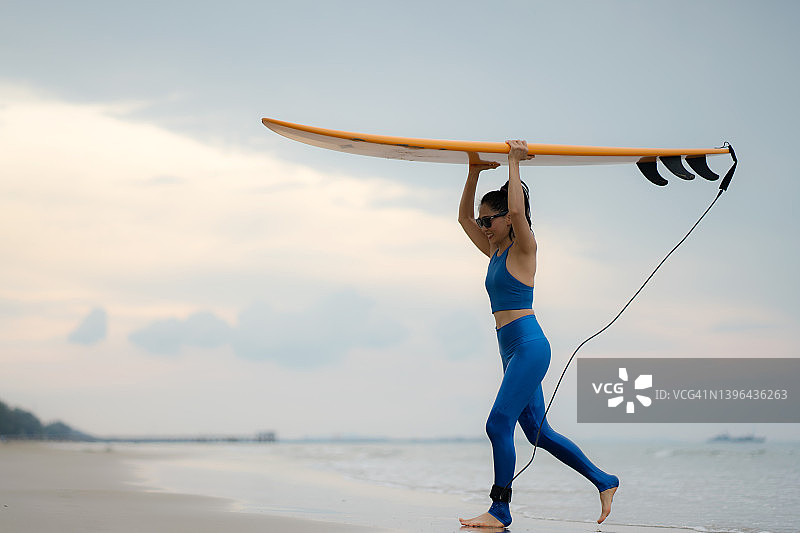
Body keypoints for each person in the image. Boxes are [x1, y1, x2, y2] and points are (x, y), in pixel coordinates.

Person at [457, 140, 619, 528]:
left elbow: (516, 208)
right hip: (509, 349)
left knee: (498, 423)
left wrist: (514, 163)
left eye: (489, 221)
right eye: (484, 222)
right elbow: (463, 219)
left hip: (529, 345)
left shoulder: (523, 247)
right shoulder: (493, 249)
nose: (483, 227)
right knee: (537, 432)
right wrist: (474, 172)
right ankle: (604, 480)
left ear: (508, 221)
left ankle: (500, 509)